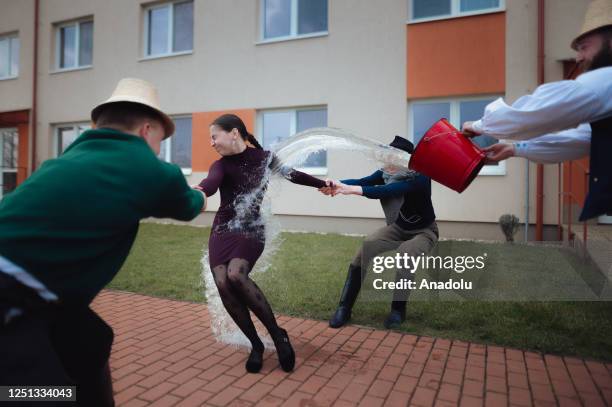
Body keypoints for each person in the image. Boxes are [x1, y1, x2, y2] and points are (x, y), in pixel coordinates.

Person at [0, 78, 206, 407]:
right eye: (159, 142)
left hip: (41, 297)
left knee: (89, 341)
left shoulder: (68, 158)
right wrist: (201, 194)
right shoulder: (151, 169)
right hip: (11, 299)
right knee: (34, 395)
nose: (157, 151)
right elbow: (188, 205)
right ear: (146, 130)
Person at [195, 114, 329, 374]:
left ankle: (278, 337)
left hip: (251, 229)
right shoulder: (220, 165)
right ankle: (256, 344)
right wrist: (199, 191)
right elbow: (210, 183)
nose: (211, 142)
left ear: (234, 133)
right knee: (222, 281)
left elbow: (293, 174)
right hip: (223, 230)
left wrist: (324, 184)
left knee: (236, 274)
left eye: (214, 136)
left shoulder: (265, 158)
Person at [462, 0, 612, 221]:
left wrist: (477, 126)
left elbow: (535, 114)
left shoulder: (607, 80)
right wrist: (516, 148)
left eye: (585, 47)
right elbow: (582, 139)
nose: (578, 58)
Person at [321, 136, 439, 329]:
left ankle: (397, 311)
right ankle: (344, 308)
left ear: (406, 161)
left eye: (393, 158)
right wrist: (335, 183)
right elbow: (364, 181)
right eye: (387, 157)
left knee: (406, 254)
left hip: (424, 231)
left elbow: (387, 191)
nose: (387, 162)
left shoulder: (420, 177)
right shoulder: (388, 172)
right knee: (365, 248)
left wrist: (349, 190)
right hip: (398, 228)